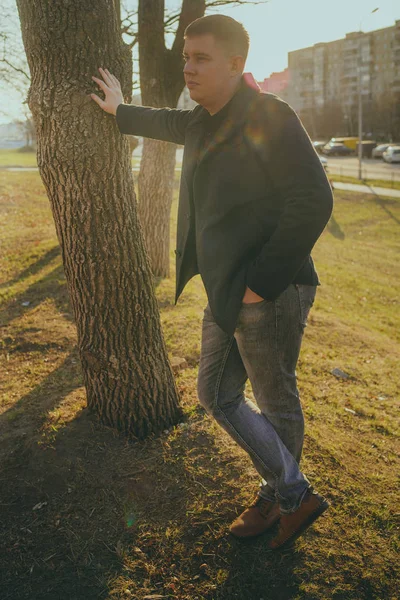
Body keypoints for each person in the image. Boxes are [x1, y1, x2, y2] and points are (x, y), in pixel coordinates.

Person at [90, 14, 333, 551]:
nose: (188, 68)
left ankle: (281, 498)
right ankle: (292, 493)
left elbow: (313, 199)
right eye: (184, 57)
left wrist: (261, 286)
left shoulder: (270, 114)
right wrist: (118, 109)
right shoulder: (201, 120)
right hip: (229, 291)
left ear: (236, 64)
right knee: (215, 393)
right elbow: (165, 122)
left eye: (200, 59)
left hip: (271, 289)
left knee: (274, 400)